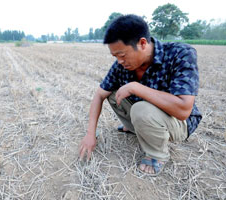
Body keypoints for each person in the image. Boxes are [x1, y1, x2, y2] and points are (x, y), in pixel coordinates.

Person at [79, 14, 202, 176]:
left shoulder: (180, 54)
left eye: (122, 55)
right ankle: (137, 127)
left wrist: (137, 88)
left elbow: (183, 110)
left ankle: (157, 155)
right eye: (115, 57)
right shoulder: (121, 66)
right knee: (112, 94)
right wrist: (90, 134)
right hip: (147, 114)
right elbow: (99, 95)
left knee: (140, 109)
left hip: (180, 123)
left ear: (142, 43)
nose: (119, 61)